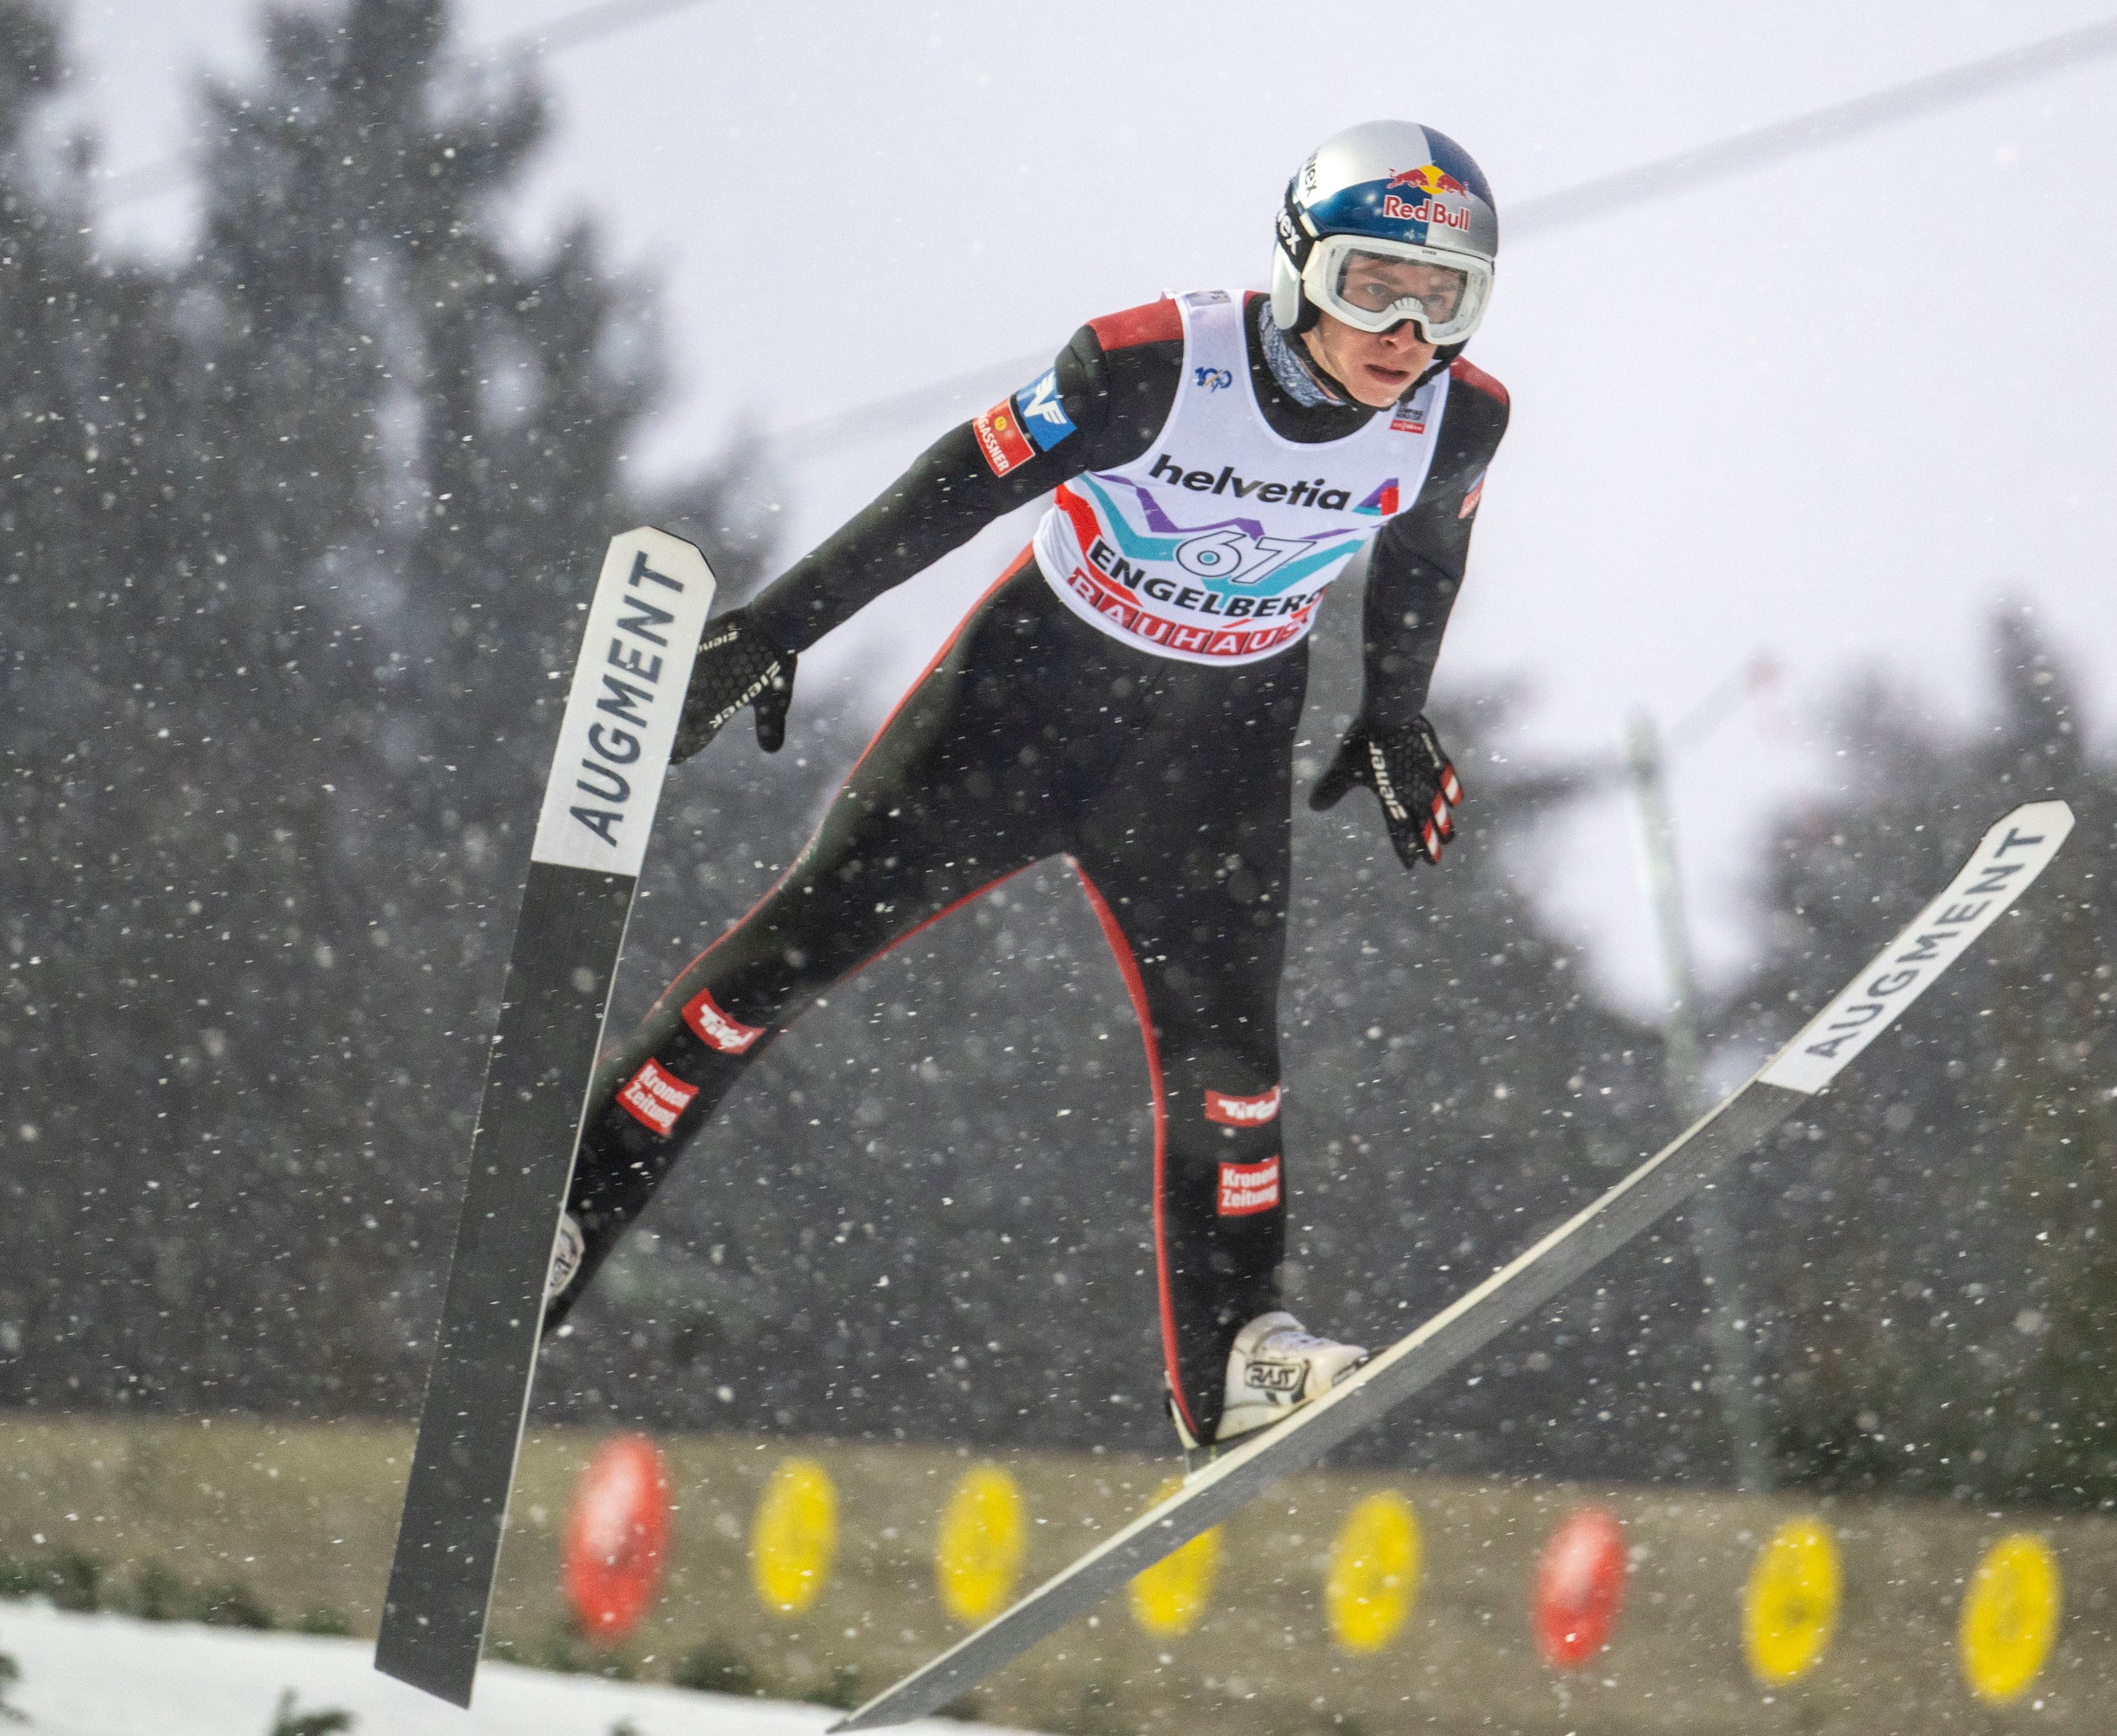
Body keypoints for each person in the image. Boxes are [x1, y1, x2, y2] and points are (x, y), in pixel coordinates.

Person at [542, 119, 1511, 1451]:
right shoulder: (1149, 363)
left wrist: (1394, 713)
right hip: (1019, 712)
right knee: (785, 957)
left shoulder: (1460, 419)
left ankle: (1236, 1353)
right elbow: (955, 487)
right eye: (1370, 286)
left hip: (1211, 754)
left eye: (1443, 299)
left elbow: (1427, 556)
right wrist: (775, 629)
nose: (1404, 332)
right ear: (1298, 268)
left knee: (1233, 1065)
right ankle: (573, 1207)